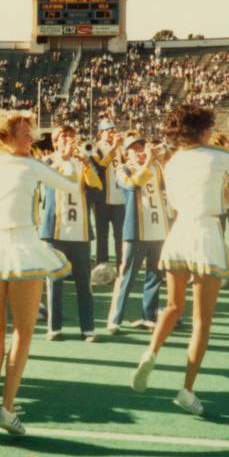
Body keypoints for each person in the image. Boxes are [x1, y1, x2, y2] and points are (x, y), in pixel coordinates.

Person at [131, 105, 229, 415]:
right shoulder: (216, 155)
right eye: (209, 128)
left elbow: (174, 202)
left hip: (178, 233)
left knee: (173, 306)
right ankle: (186, 389)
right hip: (206, 234)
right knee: (202, 321)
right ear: (200, 129)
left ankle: (151, 352)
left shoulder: (172, 163)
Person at [0, 107, 78, 436]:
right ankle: (6, 407)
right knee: (22, 331)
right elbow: (69, 186)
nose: (31, 137)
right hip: (23, 248)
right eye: (25, 132)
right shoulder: (30, 164)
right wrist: (60, 162)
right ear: (6, 136)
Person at [39, 125, 102, 342]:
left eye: (71, 136)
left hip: (80, 231)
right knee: (54, 280)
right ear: (55, 141)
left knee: (84, 283)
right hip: (56, 230)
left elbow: (96, 189)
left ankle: (88, 328)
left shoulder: (82, 163)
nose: (69, 140)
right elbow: (46, 181)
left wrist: (86, 164)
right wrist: (62, 158)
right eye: (64, 137)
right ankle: (54, 327)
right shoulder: (48, 161)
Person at [106, 134, 168, 334]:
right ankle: (114, 319)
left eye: (142, 147)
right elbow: (133, 184)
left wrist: (163, 157)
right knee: (127, 276)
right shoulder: (122, 170)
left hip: (158, 229)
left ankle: (148, 316)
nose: (140, 151)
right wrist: (149, 161)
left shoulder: (157, 168)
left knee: (154, 275)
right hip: (136, 232)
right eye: (134, 149)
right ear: (126, 154)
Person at [92, 120, 125, 268]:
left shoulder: (119, 147)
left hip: (119, 198)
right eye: (108, 130)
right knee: (102, 235)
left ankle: (122, 265)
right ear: (100, 133)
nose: (112, 132)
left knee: (120, 236)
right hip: (102, 199)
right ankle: (102, 266)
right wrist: (115, 146)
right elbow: (100, 166)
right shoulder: (95, 147)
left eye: (113, 129)